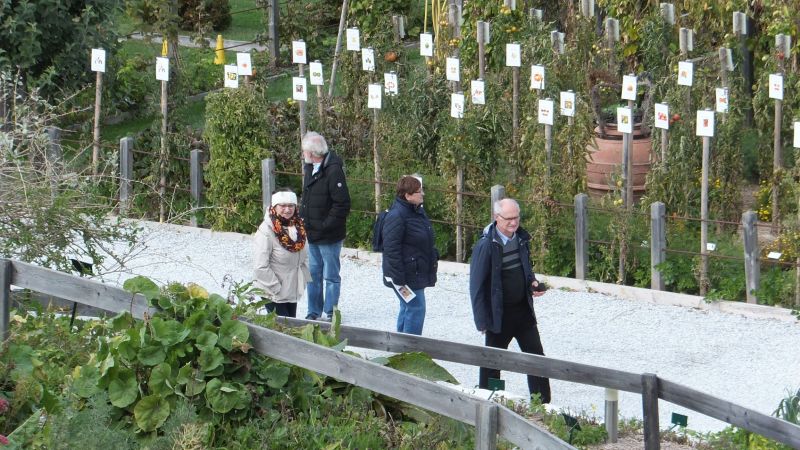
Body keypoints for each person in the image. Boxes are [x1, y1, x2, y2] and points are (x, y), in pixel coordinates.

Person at [469, 198, 551, 403]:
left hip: (523, 311)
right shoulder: (486, 245)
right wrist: (482, 320)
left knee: (536, 358)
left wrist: (532, 283)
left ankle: (542, 405)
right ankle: (489, 401)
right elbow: (476, 286)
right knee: (492, 361)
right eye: (509, 219)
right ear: (497, 218)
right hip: (499, 315)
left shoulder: (521, 239)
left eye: (517, 217)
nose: (514, 223)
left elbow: (525, 269)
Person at [299, 131, 351, 321]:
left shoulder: (333, 170)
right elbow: (307, 198)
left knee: (331, 275)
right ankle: (314, 311)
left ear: (312, 153)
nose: (303, 154)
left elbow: (343, 204)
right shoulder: (309, 168)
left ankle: (330, 312)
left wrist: (325, 225)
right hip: (312, 233)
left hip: (329, 235)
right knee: (313, 274)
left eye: (305, 151)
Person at [381, 175, 438, 335]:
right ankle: (410, 349)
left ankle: (401, 348)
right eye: (419, 191)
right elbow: (391, 250)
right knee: (416, 307)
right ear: (408, 195)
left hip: (415, 271)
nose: (423, 194)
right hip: (404, 276)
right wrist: (399, 280)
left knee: (408, 307)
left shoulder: (416, 211)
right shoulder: (397, 216)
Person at [253, 189, 311, 317]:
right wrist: (276, 288)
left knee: (291, 325)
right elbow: (260, 266)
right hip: (274, 292)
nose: (287, 209)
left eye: (291, 205)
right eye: (282, 206)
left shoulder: (298, 227)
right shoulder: (266, 231)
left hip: (291, 290)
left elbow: (304, 256)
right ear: (274, 207)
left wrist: (304, 280)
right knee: (284, 330)